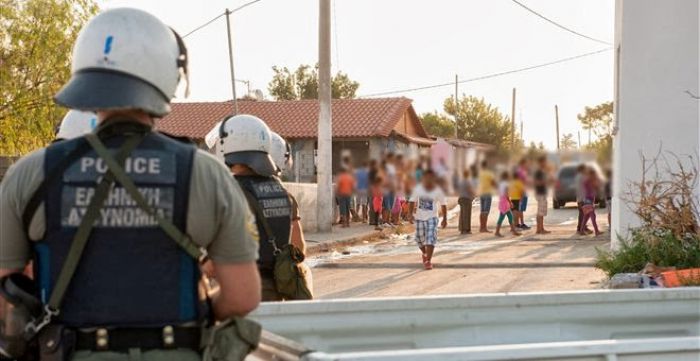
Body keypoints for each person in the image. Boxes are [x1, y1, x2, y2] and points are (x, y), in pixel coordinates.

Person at [0, 8, 260, 360]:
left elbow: (6, 296)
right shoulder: (205, 173)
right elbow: (243, 296)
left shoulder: (31, 173)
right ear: (167, 73)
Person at [217, 115, 311, 301]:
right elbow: (299, 248)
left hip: (242, 289)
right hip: (277, 288)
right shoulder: (282, 192)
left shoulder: (229, 190)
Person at [408, 170, 447, 270]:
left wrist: (445, 219)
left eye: (431, 177)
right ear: (423, 178)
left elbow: (443, 204)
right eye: (426, 177)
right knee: (419, 239)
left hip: (432, 217)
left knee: (430, 238)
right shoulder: (418, 189)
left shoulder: (438, 190)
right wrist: (410, 214)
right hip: (419, 218)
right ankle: (425, 253)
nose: (428, 179)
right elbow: (412, 201)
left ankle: (428, 261)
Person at [495, 172, 522, 237]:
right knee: (501, 217)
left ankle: (514, 231)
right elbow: (506, 194)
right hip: (504, 202)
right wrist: (510, 202)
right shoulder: (506, 184)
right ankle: (497, 232)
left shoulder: (501, 184)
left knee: (510, 216)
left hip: (502, 201)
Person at [581, 168, 603, 236]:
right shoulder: (589, 181)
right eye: (594, 174)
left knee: (586, 216)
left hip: (587, 199)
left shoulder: (587, 180)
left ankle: (582, 230)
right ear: (591, 174)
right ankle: (596, 231)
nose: (594, 175)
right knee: (592, 216)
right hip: (588, 200)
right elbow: (596, 186)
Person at [533, 156, 551, 234]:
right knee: (540, 212)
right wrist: (544, 182)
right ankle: (539, 229)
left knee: (541, 212)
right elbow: (536, 182)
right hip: (540, 193)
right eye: (544, 162)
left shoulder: (542, 171)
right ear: (540, 162)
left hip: (542, 193)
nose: (545, 163)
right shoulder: (538, 172)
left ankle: (541, 228)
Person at [478, 160, 496, 233]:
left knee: (482, 211)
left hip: (481, 193)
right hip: (488, 193)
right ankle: (484, 228)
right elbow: (493, 183)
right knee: (486, 211)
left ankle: (481, 227)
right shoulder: (489, 173)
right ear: (487, 165)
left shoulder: (480, 173)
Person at [457, 169, 475, 234]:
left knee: (462, 214)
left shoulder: (461, 182)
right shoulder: (467, 181)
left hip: (461, 198)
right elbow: (469, 190)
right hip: (466, 199)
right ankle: (466, 229)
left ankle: (462, 229)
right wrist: (473, 195)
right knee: (467, 214)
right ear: (468, 174)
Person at [575, 164, 591, 235]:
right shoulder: (581, 176)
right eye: (585, 169)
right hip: (582, 198)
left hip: (580, 197)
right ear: (582, 169)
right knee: (583, 214)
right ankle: (581, 228)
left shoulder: (578, 176)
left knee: (582, 214)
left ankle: (582, 227)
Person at [516, 158, 531, 229]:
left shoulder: (522, 171)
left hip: (523, 191)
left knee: (520, 209)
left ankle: (519, 223)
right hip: (521, 192)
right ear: (523, 164)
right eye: (526, 163)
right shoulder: (520, 171)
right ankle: (520, 224)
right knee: (520, 208)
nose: (527, 165)